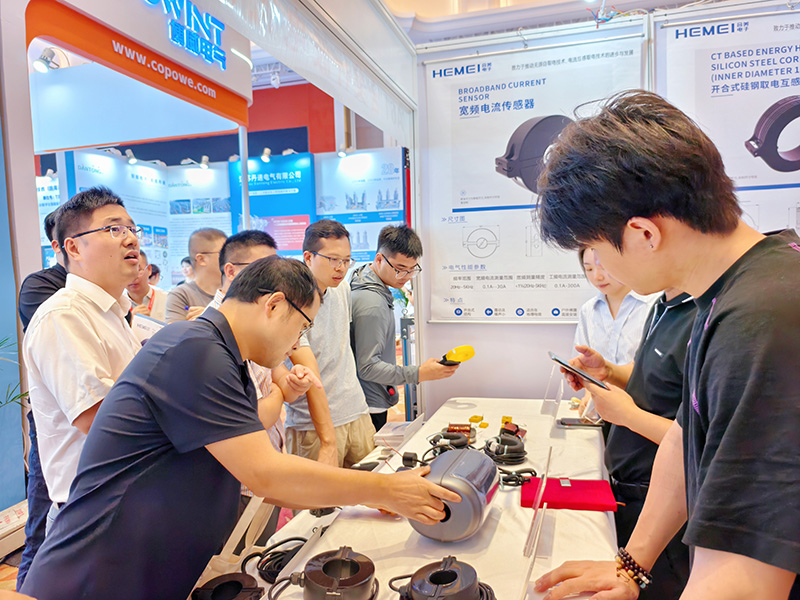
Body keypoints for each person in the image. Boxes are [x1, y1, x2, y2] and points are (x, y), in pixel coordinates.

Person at [21, 256, 461, 600]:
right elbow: (266, 474)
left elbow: (266, 480)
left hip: (142, 567)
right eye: (301, 327)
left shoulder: (222, 354)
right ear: (274, 305)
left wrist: (370, 494)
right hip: (100, 572)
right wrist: (387, 489)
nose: (296, 344)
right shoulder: (196, 350)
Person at [533, 91, 800, 600]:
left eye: (599, 251)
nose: (602, 270)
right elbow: (685, 437)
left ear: (643, 233)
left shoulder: (761, 318)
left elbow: (744, 580)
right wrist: (630, 565)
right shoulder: (731, 291)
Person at [22, 187, 142, 535]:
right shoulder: (64, 315)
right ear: (73, 248)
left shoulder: (112, 313)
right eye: (114, 229)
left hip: (122, 503)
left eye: (131, 228)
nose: (130, 239)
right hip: (94, 513)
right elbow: (97, 415)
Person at [564, 287, 696, 599]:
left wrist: (627, 416)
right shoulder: (664, 306)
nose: (603, 274)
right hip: (631, 491)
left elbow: (700, 443)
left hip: (664, 503)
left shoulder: (706, 316)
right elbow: (650, 376)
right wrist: (608, 371)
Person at [351, 224, 460, 431]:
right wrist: (419, 373)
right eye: (400, 269)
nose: (407, 276)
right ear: (379, 259)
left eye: (412, 270)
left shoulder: (366, 282)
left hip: (368, 397)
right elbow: (367, 367)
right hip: (369, 404)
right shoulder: (372, 302)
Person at [286, 220, 374, 467]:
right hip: (313, 426)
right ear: (308, 257)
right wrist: (328, 441)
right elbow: (310, 373)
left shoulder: (342, 288)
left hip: (356, 412)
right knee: (317, 493)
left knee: (368, 487)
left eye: (346, 260)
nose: (341, 268)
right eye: (333, 260)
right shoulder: (291, 302)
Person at [15, 211, 66, 588]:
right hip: (55, 420)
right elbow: (64, 347)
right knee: (42, 525)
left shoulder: (111, 297)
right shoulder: (42, 286)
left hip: (89, 428)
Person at [574, 246, 656, 365]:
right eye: (589, 269)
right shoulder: (588, 309)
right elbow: (580, 362)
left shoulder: (654, 304)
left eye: (603, 267)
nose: (597, 277)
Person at [165, 229, 226, 323]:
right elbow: (174, 331)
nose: (229, 257)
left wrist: (209, 317)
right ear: (201, 259)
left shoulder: (237, 291)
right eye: (223, 253)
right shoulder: (181, 295)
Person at [125, 250, 168, 323]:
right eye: (127, 271)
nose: (133, 277)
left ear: (149, 270)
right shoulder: (117, 304)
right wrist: (130, 322)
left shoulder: (166, 299)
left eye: (138, 270)